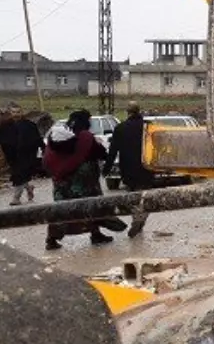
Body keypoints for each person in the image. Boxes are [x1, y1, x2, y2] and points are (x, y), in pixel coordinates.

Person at [44, 109, 126, 250]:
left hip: (61, 183)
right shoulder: (85, 137)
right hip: (84, 182)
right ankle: (96, 234)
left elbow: (48, 159)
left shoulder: (58, 136)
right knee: (91, 206)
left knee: (62, 211)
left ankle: (51, 239)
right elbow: (100, 152)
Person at [104, 101, 153, 237]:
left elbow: (113, 151)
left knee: (132, 198)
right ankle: (140, 220)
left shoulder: (120, 128)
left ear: (128, 112)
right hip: (146, 168)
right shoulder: (148, 128)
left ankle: (137, 221)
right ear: (139, 111)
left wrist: (106, 169)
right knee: (146, 198)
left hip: (128, 169)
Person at [0, 104, 43, 206]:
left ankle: (16, 198)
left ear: (22, 112)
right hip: (12, 157)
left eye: (18, 112)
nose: (16, 114)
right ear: (10, 113)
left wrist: (44, 150)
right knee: (20, 175)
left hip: (27, 156)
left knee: (18, 176)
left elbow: (38, 139)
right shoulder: (5, 126)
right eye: (14, 112)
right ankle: (28, 187)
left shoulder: (29, 125)